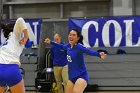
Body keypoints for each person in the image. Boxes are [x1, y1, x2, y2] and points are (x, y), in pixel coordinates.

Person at [0, 17, 28, 93]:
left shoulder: (3, 44)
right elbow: (20, 20)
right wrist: (26, 36)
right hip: (12, 70)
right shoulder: (15, 35)